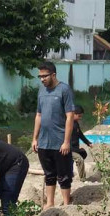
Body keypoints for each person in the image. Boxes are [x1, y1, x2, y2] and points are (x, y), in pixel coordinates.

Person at [31, 61, 76, 208]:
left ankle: (66, 204)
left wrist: (66, 141)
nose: (42, 79)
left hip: (60, 142)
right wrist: (35, 138)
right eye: (40, 76)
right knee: (49, 175)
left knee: (64, 175)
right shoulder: (41, 91)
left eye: (45, 76)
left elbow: (70, 116)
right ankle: (49, 204)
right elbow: (38, 115)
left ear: (53, 75)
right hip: (44, 142)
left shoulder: (64, 90)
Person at [71, 105, 93, 180]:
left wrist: (88, 142)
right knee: (79, 159)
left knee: (81, 155)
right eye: (79, 116)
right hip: (68, 148)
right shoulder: (68, 124)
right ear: (73, 114)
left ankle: (70, 174)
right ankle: (83, 179)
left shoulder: (76, 124)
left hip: (74, 148)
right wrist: (77, 150)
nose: (80, 118)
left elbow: (80, 134)